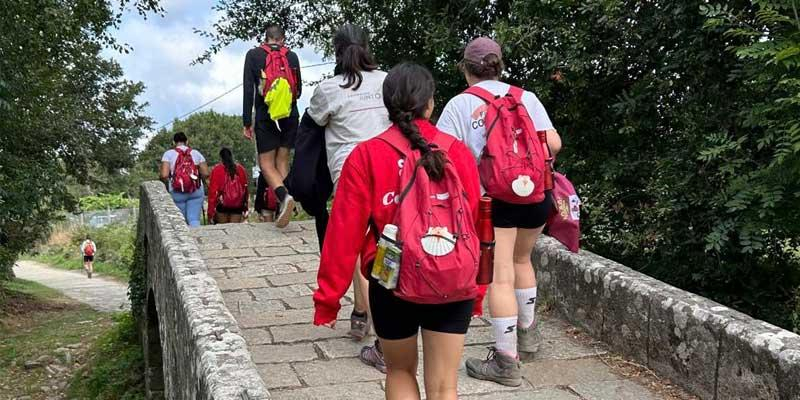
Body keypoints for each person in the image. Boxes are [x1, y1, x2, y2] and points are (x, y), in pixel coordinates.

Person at [313, 63, 482, 400]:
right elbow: (474, 224)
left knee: (400, 371)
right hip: (451, 280)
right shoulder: (457, 152)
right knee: (446, 384)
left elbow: (343, 233)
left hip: (390, 280)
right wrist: (477, 290)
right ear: (431, 103)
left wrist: (328, 300)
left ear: (386, 106)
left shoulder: (366, 156)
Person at [436, 37, 562, 387]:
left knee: (502, 273)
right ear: (499, 65)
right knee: (523, 261)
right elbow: (554, 143)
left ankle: (506, 361)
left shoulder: (460, 105)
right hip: (536, 194)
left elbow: (441, 155)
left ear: (466, 69)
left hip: (493, 200)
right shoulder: (526, 98)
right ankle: (528, 333)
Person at [307, 24, 391, 349]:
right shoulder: (387, 81)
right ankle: (365, 310)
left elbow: (312, 125)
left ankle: (378, 328)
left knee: (354, 247)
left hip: (350, 173)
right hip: (388, 171)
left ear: (336, 51)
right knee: (386, 243)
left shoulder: (328, 89)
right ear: (367, 47)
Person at [243, 24, 302, 228]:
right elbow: (299, 90)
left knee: (266, 164)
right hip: (290, 113)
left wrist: (246, 122)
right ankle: (288, 201)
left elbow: (248, 90)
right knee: (282, 161)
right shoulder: (292, 56)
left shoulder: (253, 55)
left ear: (266, 38)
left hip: (265, 114)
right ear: (282, 39)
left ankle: (285, 197)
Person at [159, 132, 210, 227]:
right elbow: (206, 173)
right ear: (187, 141)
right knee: (194, 219)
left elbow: (164, 175)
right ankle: (197, 239)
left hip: (177, 191)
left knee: (181, 221)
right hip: (196, 190)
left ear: (173, 142)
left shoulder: (168, 154)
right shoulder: (196, 153)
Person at [207, 147, 249, 224]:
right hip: (238, 206)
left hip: (222, 206)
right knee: (234, 231)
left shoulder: (217, 170)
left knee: (223, 230)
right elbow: (245, 190)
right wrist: (245, 207)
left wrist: (210, 212)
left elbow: (213, 192)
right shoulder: (241, 169)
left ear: (221, 157)